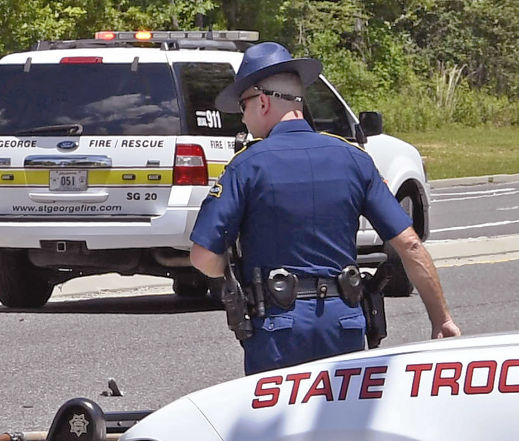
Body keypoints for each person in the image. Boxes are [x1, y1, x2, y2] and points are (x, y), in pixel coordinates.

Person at [190, 41, 458, 374]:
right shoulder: (354, 159)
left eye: (242, 106)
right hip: (345, 323)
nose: (241, 117)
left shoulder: (246, 166)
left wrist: (235, 279)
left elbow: (202, 256)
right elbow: (410, 244)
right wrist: (441, 319)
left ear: (261, 102)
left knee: (278, 425)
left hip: (277, 330)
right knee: (342, 423)